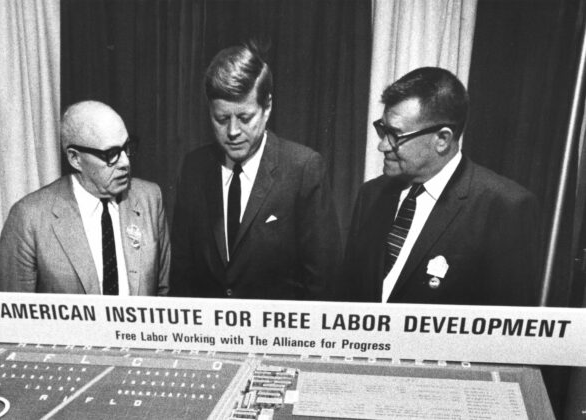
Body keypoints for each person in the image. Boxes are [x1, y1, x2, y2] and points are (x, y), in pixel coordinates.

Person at [343, 67, 542, 306]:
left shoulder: (505, 208)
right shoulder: (371, 194)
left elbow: (509, 329)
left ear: (442, 139)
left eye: (395, 134)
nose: (383, 146)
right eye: (383, 130)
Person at [169, 41, 342, 300]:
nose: (233, 132)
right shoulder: (194, 168)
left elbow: (323, 285)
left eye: (245, 118)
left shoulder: (303, 169)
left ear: (267, 106)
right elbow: (182, 273)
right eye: (221, 119)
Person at [0, 101, 170, 296]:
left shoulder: (149, 199)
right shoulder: (29, 218)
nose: (125, 162)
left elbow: (164, 295)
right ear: (75, 158)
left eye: (127, 147)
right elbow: (11, 315)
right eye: (111, 154)